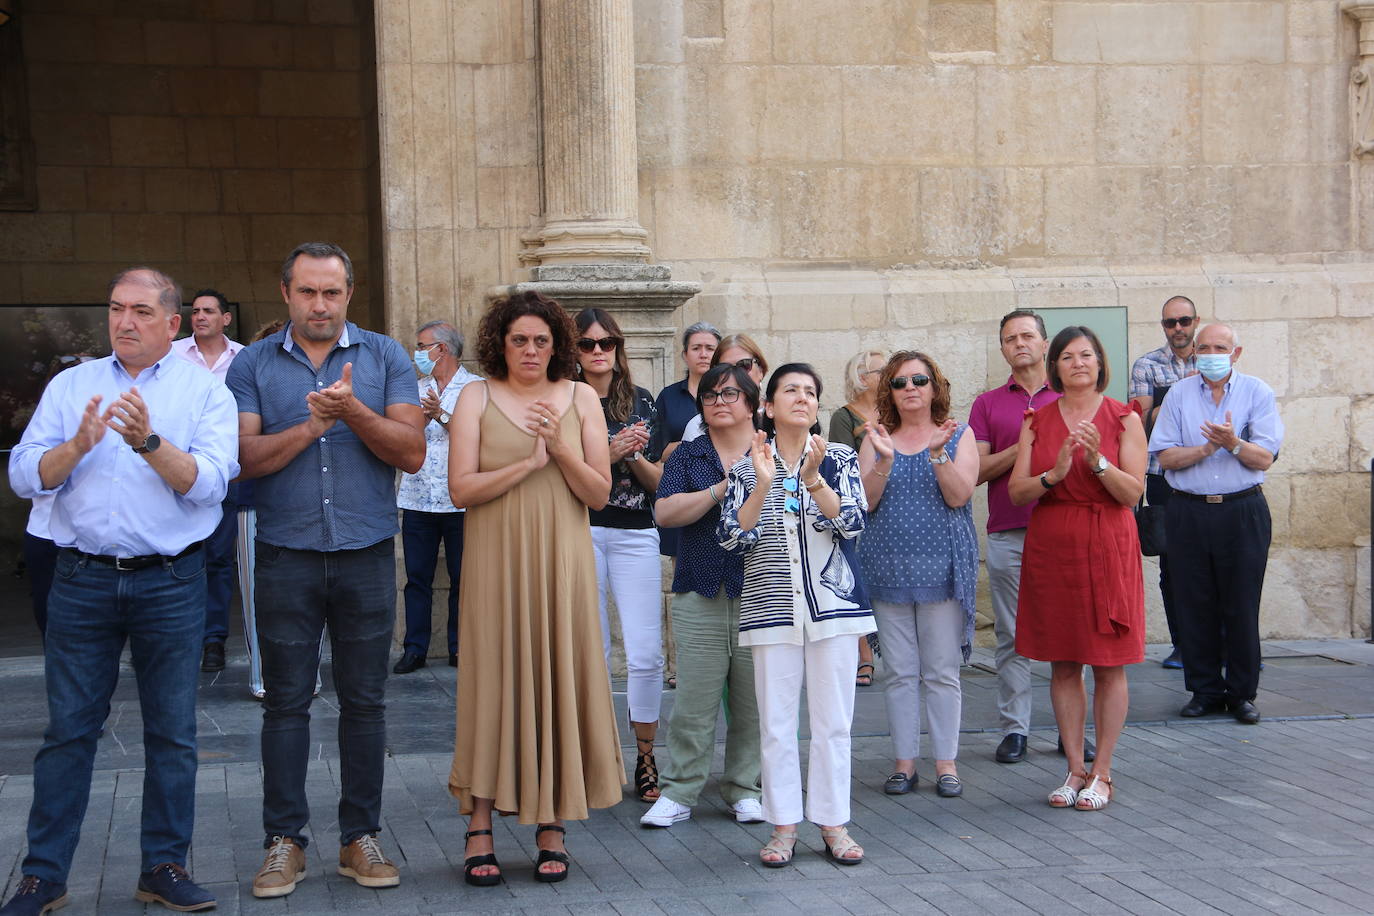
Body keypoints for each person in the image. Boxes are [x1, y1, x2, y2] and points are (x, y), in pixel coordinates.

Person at [4, 266, 238, 914]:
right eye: (115, 309)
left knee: (172, 733)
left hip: (170, 582)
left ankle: (162, 867)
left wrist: (147, 442)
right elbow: (26, 474)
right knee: (69, 732)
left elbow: (211, 483)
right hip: (80, 579)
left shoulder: (202, 393)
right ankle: (42, 876)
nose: (124, 321)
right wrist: (76, 445)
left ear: (171, 323)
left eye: (139, 311)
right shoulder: (71, 386)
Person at [228, 242, 425, 898]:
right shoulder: (253, 364)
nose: (320, 305)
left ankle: (358, 837)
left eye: (332, 293)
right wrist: (310, 429)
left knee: (365, 702)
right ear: (285, 293)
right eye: (308, 292)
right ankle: (284, 842)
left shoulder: (386, 357)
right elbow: (245, 458)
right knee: (285, 704)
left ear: (349, 294)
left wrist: (350, 412)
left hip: (368, 551)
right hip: (285, 552)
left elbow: (413, 451)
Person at [448, 290, 621, 886]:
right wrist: (525, 464)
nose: (529, 350)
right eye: (519, 339)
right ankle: (479, 826)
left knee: (554, 676)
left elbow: (598, 493)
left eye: (541, 340)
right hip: (496, 558)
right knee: (493, 680)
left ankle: (552, 824)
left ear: (558, 345)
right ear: (501, 342)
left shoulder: (580, 397)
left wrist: (563, 449)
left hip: (561, 558)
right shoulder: (475, 395)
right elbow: (460, 490)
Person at [719, 363, 873, 868]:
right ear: (769, 405)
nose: (802, 398)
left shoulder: (841, 458)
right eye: (791, 390)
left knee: (834, 723)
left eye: (811, 391)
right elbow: (732, 537)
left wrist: (814, 481)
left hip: (833, 610)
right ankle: (783, 824)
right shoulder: (747, 466)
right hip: (770, 610)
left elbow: (852, 524)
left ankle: (832, 823)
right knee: (778, 723)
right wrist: (764, 486)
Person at [1008, 326, 1146, 812]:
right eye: (1068, 356)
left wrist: (1097, 462)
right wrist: (1056, 474)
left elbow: (1134, 494)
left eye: (1087, 354)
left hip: (1107, 540)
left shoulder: (1124, 417)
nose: (1078, 362)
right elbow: (1017, 492)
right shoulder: (1036, 420)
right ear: (1056, 366)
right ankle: (1073, 768)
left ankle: (1103, 772)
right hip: (1054, 544)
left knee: (1108, 663)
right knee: (1063, 661)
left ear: (1100, 362)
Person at [641, 363, 764, 829]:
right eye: (710, 395)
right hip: (699, 587)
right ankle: (679, 792)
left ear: (751, 403)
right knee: (694, 701)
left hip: (761, 593)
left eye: (731, 394)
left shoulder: (773, 453)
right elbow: (666, 512)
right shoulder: (688, 456)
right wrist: (721, 488)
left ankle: (745, 789)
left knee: (753, 703)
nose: (719, 401)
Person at [858, 351, 978, 800]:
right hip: (887, 569)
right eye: (899, 382)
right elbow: (865, 502)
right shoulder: (876, 437)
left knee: (942, 671)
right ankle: (904, 763)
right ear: (888, 390)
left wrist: (938, 454)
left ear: (934, 388)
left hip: (942, 571)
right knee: (901, 672)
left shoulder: (958, 434)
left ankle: (946, 763)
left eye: (919, 380)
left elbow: (959, 495)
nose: (910, 388)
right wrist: (885, 459)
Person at [1148, 323, 1283, 725]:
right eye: (1203, 347)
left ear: (1235, 353)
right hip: (1188, 509)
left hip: (1242, 510)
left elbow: (1264, 458)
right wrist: (1207, 448)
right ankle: (1204, 689)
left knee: (1241, 602)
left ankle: (1242, 693)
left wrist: (1233, 443)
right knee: (1194, 600)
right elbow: (1165, 457)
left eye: (1220, 347)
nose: (1210, 353)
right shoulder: (1179, 394)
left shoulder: (1257, 392)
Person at [969, 310, 1088, 765]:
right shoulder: (988, 404)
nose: (1019, 343)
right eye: (1009, 338)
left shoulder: (1072, 397)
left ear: (1044, 344)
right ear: (1003, 348)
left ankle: (1070, 734)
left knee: (1070, 636)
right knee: (1011, 634)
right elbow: (977, 470)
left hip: (1066, 533)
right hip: (1009, 532)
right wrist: (1025, 446)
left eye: (1027, 336)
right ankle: (1015, 730)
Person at [572, 307, 666, 802]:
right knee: (593, 649)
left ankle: (646, 754)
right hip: (579, 529)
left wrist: (631, 455)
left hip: (634, 531)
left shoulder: (642, 401)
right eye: (586, 344)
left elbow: (656, 485)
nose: (597, 352)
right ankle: (595, 755)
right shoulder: (563, 398)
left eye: (605, 343)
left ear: (618, 347)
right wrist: (606, 454)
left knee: (646, 653)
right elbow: (557, 470)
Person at [393, 320, 482, 674]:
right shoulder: (411, 389)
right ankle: (415, 648)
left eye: (422, 346)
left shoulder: (476, 389)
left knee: (465, 577)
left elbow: (480, 437)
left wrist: (440, 415)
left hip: (461, 498)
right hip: (417, 497)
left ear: (441, 349)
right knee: (417, 577)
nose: (417, 353)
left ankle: (460, 647)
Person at [172, 288, 245, 674]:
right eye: (195, 311)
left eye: (208, 311)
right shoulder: (171, 355)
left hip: (226, 471)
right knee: (177, 554)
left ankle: (213, 640)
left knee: (218, 558)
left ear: (225, 318)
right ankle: (175, 636)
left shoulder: (245, 358)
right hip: (176, 471)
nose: (199, 316)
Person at [1129, 295, 1200, 669]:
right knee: (1172, 567)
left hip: (1210, 479)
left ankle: (1226, 645)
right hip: (1163, 478)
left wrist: (1169, 400)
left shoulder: (1213, 362)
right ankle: (1182, 645)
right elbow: (1139, 421)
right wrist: (1186, 394)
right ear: (1163, 326)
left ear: (1195, 321)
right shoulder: (1147, 365)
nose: (1178, 329)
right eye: (1171, 323)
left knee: (1218, 562)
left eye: (1184, 321)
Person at [830, 348, 885, 688]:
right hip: (861, 508)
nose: (891, 375)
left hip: (893, 508)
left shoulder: (895, 411)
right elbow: (839, 467)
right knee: (858, 581)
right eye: (883, 369)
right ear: (863, 378)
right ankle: (864, 654)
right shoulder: (844, 417)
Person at [680, 333, 769, 442]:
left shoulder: (782, 416)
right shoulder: (698, 426)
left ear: (761, 370)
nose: (735, 374)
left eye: (744, 365)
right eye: (725, 367)